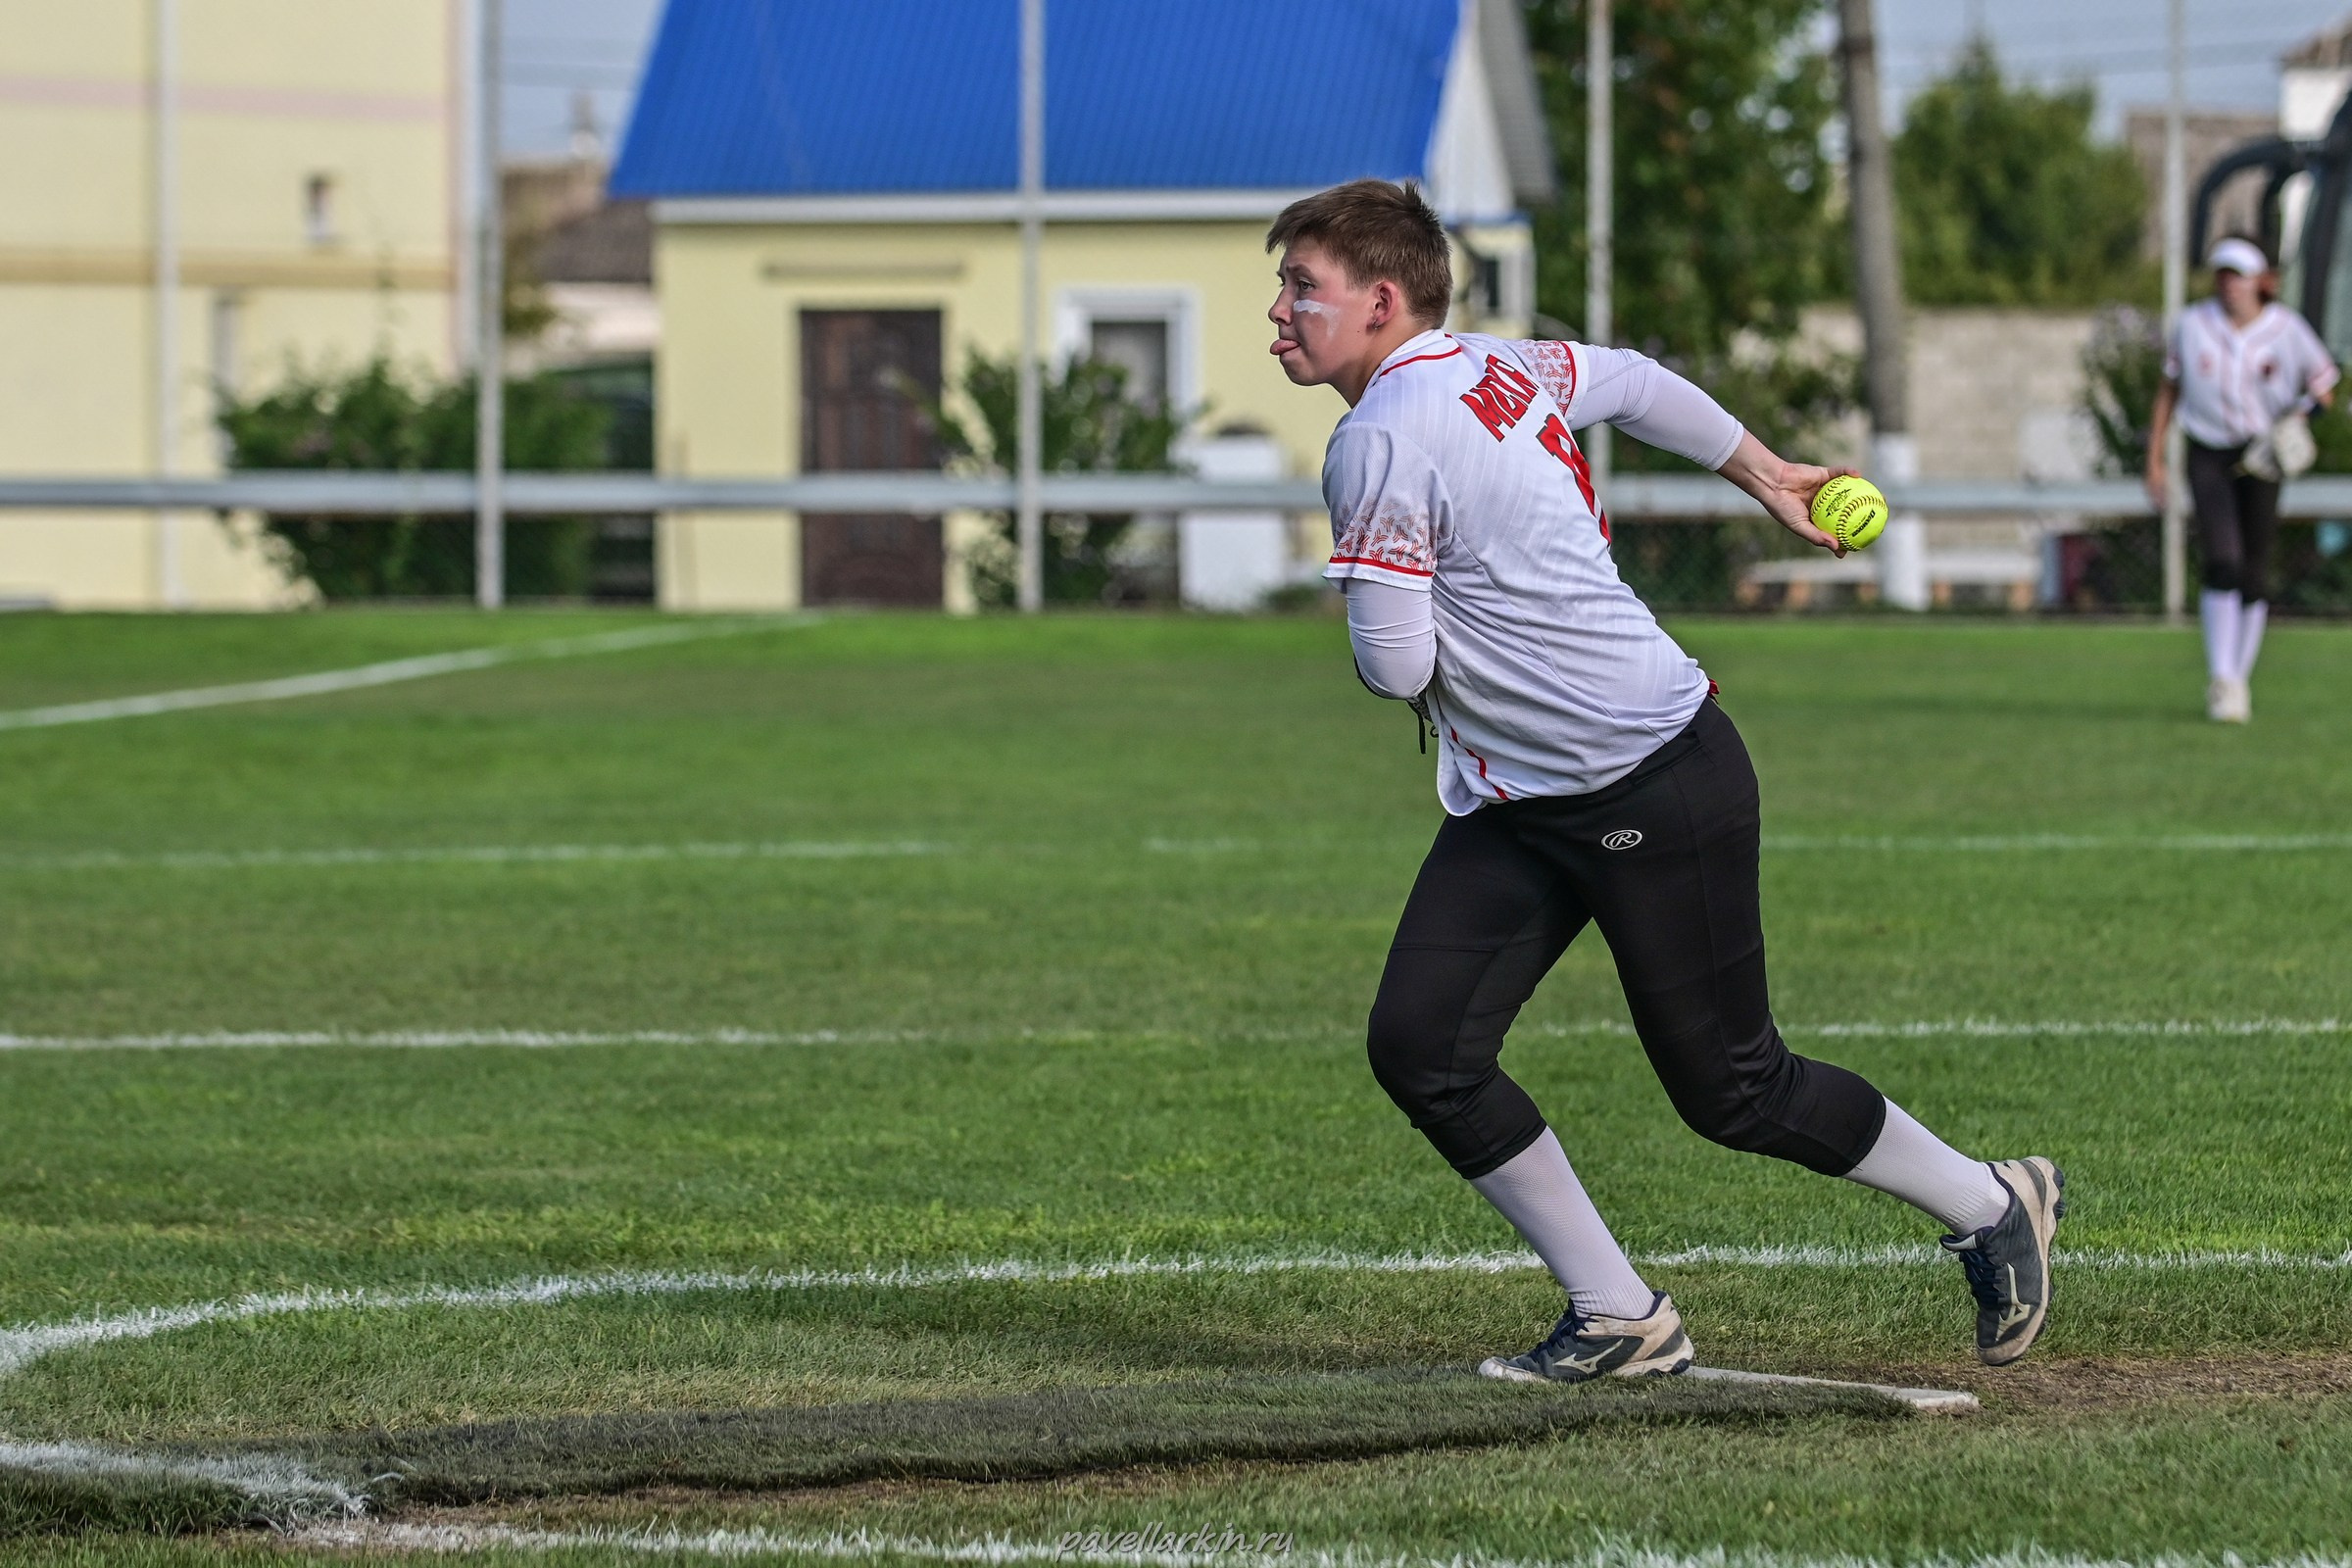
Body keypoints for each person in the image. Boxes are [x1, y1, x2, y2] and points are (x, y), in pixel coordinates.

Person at [1265, 179, 2063, 1382]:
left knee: (1735, 1088)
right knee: (1424, 1045)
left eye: (1302, 287)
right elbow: (1633, 380)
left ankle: (1993, 1201)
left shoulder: (1380, 433)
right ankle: (1619, 1314)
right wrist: (1765, 470)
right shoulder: (1492, 363)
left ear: (1381, 302)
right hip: (1529, 799)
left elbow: (1395, 665)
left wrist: (1405, 592)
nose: (1280, 312)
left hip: (1648, 781)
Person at [2145, 235, 2339, 723]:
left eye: (2238, 276)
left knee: (2254, 569)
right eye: (2223, 275)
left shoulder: (2284, 329)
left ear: (2259, 282)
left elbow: (2324, 385)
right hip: (2210, 450)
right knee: (2223, 559)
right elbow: (2169, 389)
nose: (2229, 285)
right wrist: (2155, 459)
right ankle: (2221, 676)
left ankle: (2238, 678)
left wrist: (2298, 420)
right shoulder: (2194, 325)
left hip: (2262, 454)